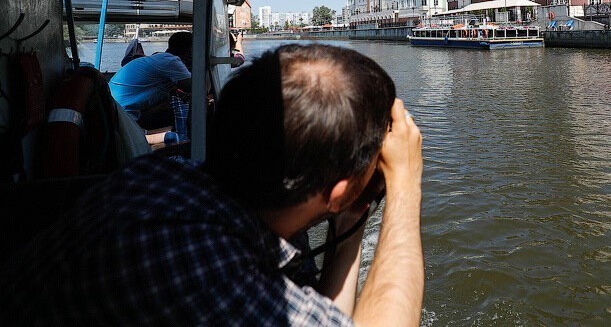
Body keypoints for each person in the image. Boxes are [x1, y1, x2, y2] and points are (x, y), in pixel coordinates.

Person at [0, 44, 424, 326]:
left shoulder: (164, 179)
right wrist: (405, 185)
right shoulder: (204, 273)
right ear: (337, 191)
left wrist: (347, 222)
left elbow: (325, 317)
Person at [108, 31, 192, 128]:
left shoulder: (160, 59)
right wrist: (207, 64)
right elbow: (197, 89)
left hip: (113, 110)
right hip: (123, 116)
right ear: (189, 51)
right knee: (173, 109)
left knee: (172, 103)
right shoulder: (172, 61)